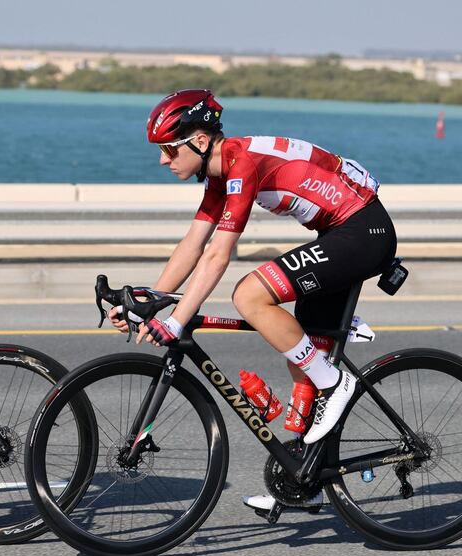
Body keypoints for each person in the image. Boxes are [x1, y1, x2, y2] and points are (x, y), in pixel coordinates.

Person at [110, 89, 397, 512]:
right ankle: (303, 479)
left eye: (170, 149)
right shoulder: (219, 172)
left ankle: (337, 383)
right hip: (339, 234)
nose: (163, 160)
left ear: (201, 141)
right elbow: (193, 244)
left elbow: (218, 254)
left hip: (363, 231)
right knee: (302, 349)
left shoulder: (242, 164)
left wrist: (176, 321)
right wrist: (150, 300)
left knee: (249, 293)